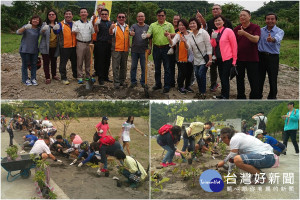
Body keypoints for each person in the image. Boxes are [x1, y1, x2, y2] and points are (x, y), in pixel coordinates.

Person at [146, 9, 175, 93]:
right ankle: (158, 84)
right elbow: (149, 34)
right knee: (157, 68)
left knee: (167, 68)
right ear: (157, 16)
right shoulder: (153, 25)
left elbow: (173, 35)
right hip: (156, 48)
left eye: (162, 15)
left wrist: (169, 35)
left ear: (165, 16)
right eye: (159, 15)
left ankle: (167, 85)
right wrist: (146, 35)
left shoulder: (169, 25)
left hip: (166, 47)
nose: (161, 17)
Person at [234, 10, 261, 99]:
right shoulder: (236, 29)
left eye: (244, 15)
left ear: (249, 16)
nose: (242, 17)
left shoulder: (256, 27)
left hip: (252, 59)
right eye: (240, 15)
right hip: (239, 59)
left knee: (253, 80)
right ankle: (241, 96)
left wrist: (244, 33)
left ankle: (254, 97)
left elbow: (256, 40)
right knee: (239, 79)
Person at [206, 4, 233, 92]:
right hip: (214, 49)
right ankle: (214, 84)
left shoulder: (227, 22)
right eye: (213, 9)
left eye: (217, 9)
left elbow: (232, 39)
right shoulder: (209, 22)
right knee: (213, 68)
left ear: (221, 10)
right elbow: (209, 37)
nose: (215, 10)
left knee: (224, 73)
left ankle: (225, 90)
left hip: (225, 52)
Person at [258, 13, 284, 99]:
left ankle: (272, 97)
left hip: (272, 57)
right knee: (259, 78)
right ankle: (258, 95)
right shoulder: (261, 30)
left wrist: (272, 39)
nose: (270, 21)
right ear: (265, 20)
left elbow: (277, 38)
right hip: (260, 56)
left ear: (275, 20)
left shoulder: (280, 31)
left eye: (272, 19)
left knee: (272, 78)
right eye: (268, 19)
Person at [210, 15, 237, 99]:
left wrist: (234, 60)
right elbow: (213, 45)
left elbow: (234, 45)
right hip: (218, 58)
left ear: (223, 22)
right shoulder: (214, 32)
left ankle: (225, 96)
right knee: (222, 77)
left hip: (227, 58)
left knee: (225, 77)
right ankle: (223, 94)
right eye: (215, 21)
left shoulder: (228, 30)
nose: (217, 22)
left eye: (219, 20)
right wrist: (213, 38)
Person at [186, 17, 212, 99]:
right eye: (190, 23)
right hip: (196, 59)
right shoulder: (190, 35)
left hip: (204, 58)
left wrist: (210, 59)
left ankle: (203, 93)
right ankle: (200, 91)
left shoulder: (203, 33)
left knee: (201, 74)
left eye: (194, 23)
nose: (192, 25)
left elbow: (209, 46)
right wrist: (184, 42)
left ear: (197, 24)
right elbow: (189, 48)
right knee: (197, 75)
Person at [167, 19, 194, 94]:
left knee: (190, 72)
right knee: (182, 72)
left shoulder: (191, 33)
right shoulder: (178, 34)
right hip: (181, 57)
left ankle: (187, 86)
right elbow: (172, 43)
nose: (181, 27)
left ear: (186, 25)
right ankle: (180, 86)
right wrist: (169, 38)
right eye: (179, 25)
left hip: (190, 56)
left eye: (182, 25)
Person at [53, 10, 77, 85]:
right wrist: (55, 29)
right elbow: (56, 32)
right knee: (63, 63)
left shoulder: (75, 23)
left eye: (70, 14)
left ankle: (75, 75)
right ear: (64, 16)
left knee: (75, 62)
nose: (68, 15)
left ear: (72, 16)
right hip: (64, 47)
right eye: (66, 14)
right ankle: (63, 77)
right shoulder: (61, 24)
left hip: (74, 46)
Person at [17, 15, 42, 86]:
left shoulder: (38, 29)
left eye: (37, 20)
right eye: (34, 19)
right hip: (25, 49)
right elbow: (18, 32)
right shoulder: (26, 26)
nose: (35, 21)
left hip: (34, 50)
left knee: (34, 65)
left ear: (39, 22)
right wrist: (25, 28)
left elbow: (43, 32)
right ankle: (25, 79)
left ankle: (33, 79)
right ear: (31, 20)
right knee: (25, 65)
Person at [72, 8, 95, 84]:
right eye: (82, 12)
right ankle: (80, 76)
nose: (83, 13)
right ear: (80, 14)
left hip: (89, 43)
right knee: (80, 60)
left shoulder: (90, 23)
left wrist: (91, 43)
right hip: (80, 43)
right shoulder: (76, 23)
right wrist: (75, 31)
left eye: (85, 12)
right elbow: (73, 32)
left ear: (87, 14)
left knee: (88, 61)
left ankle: (88, 76)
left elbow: (92, 33)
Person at [129, 12, 152, 88]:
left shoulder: (148, 27)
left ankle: (143, 81)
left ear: (144, 18)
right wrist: (131, 33)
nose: (140, 18)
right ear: (137, 18)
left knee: (144, 67)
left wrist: (150, 48)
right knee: (133, 66)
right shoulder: (134, 26)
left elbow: (150, 38)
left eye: (142, 16)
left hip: (144, 50)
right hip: (134, 50)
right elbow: (130, 32)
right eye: (139, 16)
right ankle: (133, 81)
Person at [109, 12, 130, 89]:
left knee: (124, 67)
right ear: (117, 18)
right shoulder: (114, 26)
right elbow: (111, 33)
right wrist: (110, 28)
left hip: (125, 50)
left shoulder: (127, 26)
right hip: (116, 50)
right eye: (120, 17)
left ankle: (122, 81)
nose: (121, 18)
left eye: (123, 17)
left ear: (125, 18)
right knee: (116, 67)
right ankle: (116, 83)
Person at [39, 10, 60, 84]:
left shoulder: (58, 24)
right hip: (45, 47)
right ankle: (47, 77)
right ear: (48, 16)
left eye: (53, 14)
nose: (51, 16)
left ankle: (54, 75)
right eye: (49, 14)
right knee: (46, 62)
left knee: (54, 61)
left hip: (54, 46)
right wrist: (44, 30)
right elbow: (40, 33)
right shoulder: (45, 24)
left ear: (55, 15)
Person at [93, 8, 113, 85]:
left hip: (108, 44)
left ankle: (106, 77)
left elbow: (111, 33)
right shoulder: (99, 22)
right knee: (100, 61)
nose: (104, 15)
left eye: (106, 14)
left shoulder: (110, 22)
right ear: (100, 15)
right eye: (103, 14)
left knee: (107, 61)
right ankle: (100, 78)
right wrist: (96, 24)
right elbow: (96, 31)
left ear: (108, 15)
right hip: (100, 44)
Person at [91, 4, 106, 77]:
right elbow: (90, 28)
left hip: (103, 40)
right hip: (95, 40)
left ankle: (103, 72)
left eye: (101, 9)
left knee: (103, 57)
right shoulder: (94, 18)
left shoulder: (107, 18)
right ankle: (96, 71)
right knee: (96, 57)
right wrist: (93, 20)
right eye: (99, 9)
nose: (100, 10)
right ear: (97, 10)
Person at [168, 14, 181, 88]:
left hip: (179, 51)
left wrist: (171, 34)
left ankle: (179, 83)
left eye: (177, 19)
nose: (175, 20)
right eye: (174, 19)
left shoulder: (181, 29)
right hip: (171, 50)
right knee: (171, 67)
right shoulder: (170, 28)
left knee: (180, 68)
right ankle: (171, 82)